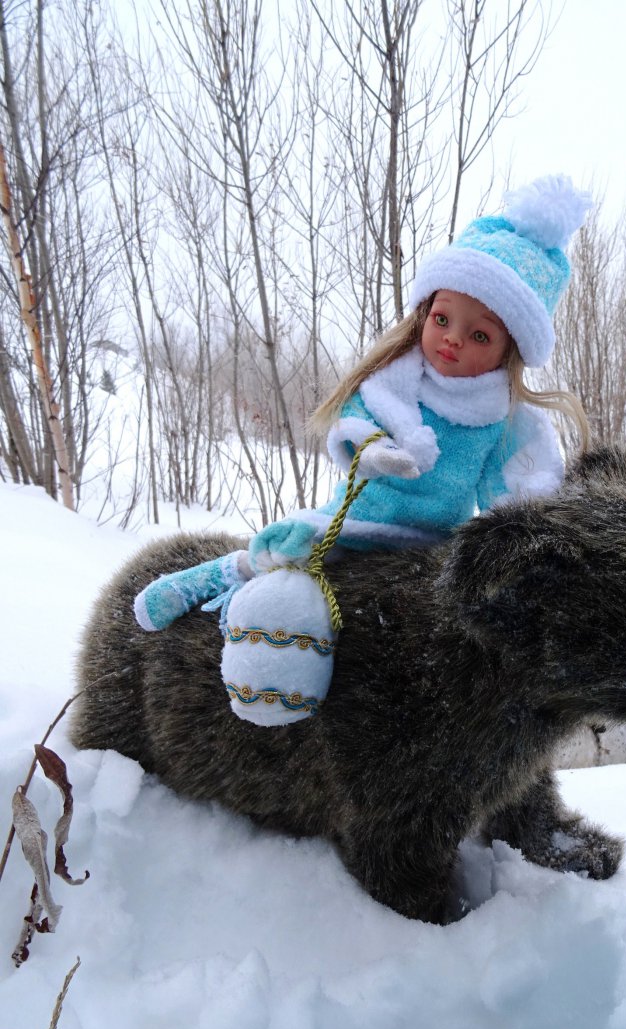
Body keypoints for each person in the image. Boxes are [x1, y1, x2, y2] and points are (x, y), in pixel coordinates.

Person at [133, 174, 592, 721]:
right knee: (291, 553)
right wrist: (373, 450)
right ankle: (210, 581)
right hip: (357, 521)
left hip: (431, 544)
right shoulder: (393, 382)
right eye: (443, 320)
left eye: (479, 336)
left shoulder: (504, 419)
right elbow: (353, 426)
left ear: (509, 349)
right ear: (425, 314)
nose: (451, 340)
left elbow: (520, 494)